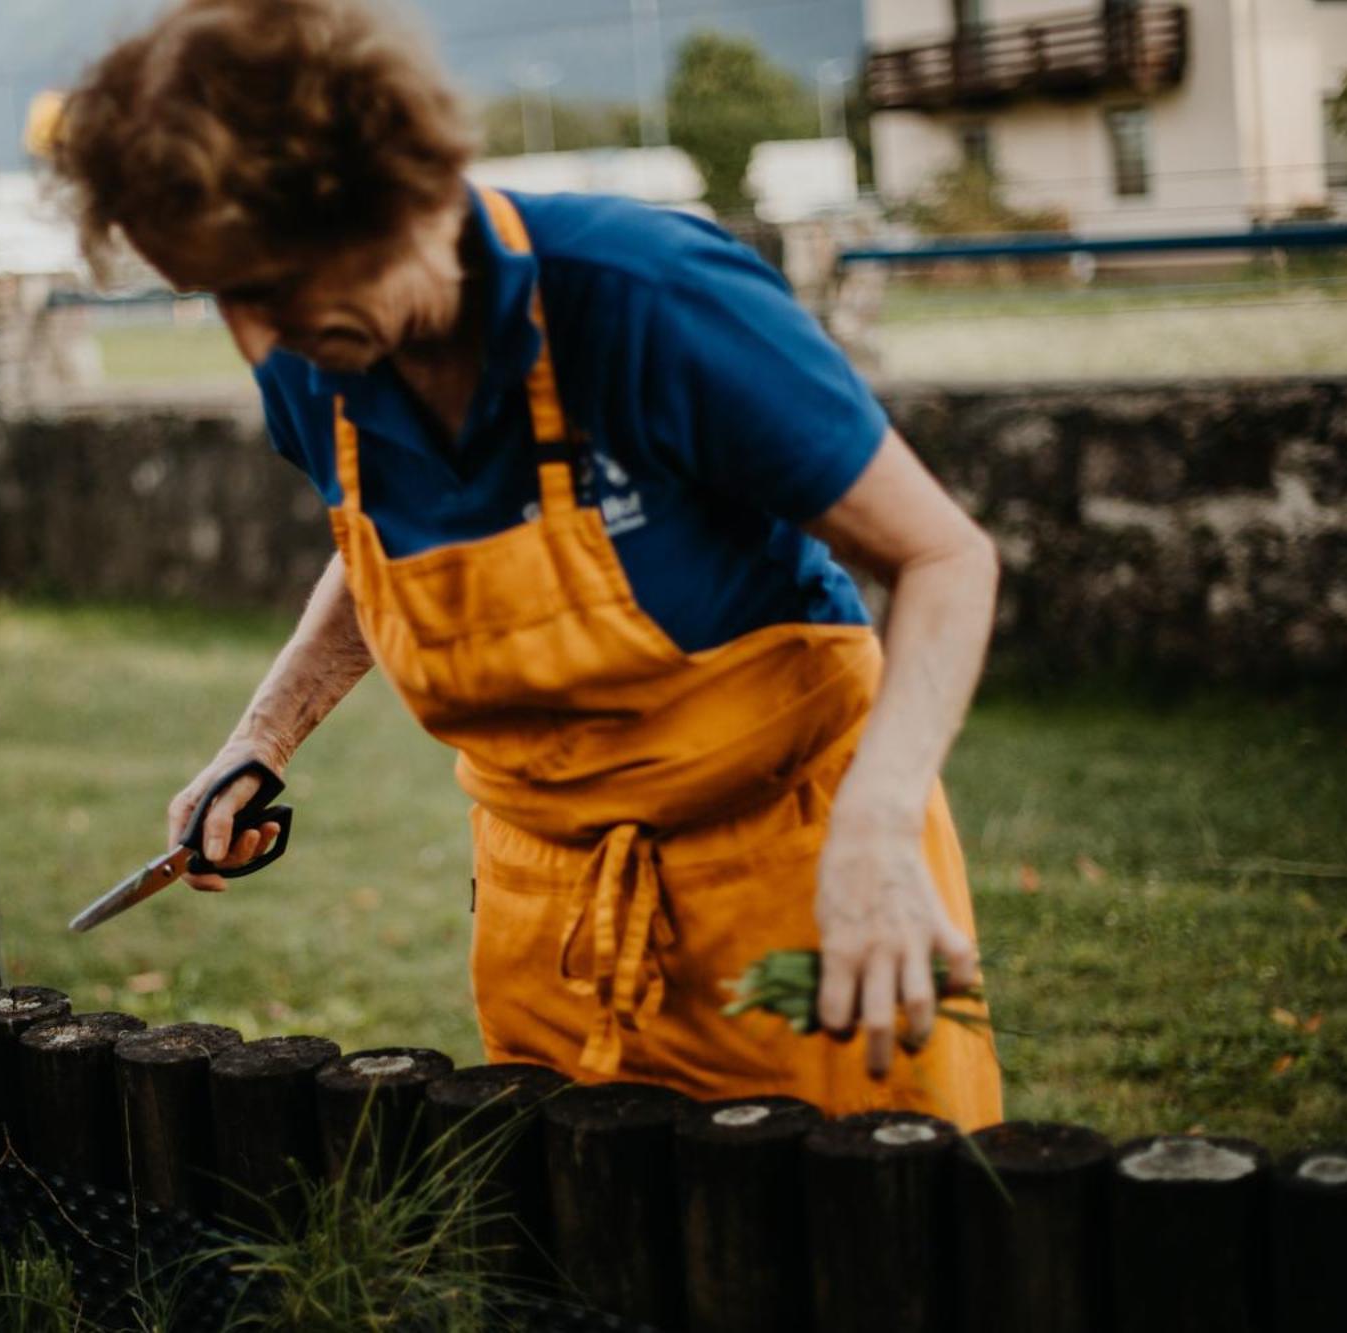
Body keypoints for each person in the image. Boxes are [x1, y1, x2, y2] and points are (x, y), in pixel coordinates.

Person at [54, 0, 1001, 1124]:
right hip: (543, 921)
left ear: (392, 190)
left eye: (270, 286)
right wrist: (258, 738)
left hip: (804, 900)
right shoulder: (312, 369)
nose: (258, 341)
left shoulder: (648, 297)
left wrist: (879, 829)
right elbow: (380, 551)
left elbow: (942, 555)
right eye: (221, 297)